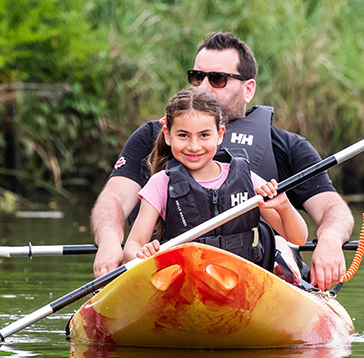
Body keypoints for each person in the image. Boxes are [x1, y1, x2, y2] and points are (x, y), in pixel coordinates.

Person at [91, 31, 354, 290]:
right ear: (170, 136)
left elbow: (332, 208)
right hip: (170, 273)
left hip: (253, 273)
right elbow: (114, 199)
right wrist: (110, 243)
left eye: (217, 79)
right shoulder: (153, 135)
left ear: (248, 89)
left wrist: (329, 241)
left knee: (282, 244)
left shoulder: (286, 147)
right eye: (196, 77)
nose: (203, 86)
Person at [123, 87, 308, 282]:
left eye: (204, 135)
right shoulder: (161, 183)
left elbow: (298, 238)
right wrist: (142, 255)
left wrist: (284, 206)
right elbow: (132, 246)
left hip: (244, 283)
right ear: (168, 136)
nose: (194, 146)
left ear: (219, 135)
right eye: (183, 135)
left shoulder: (246, 178)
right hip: (188, 284)